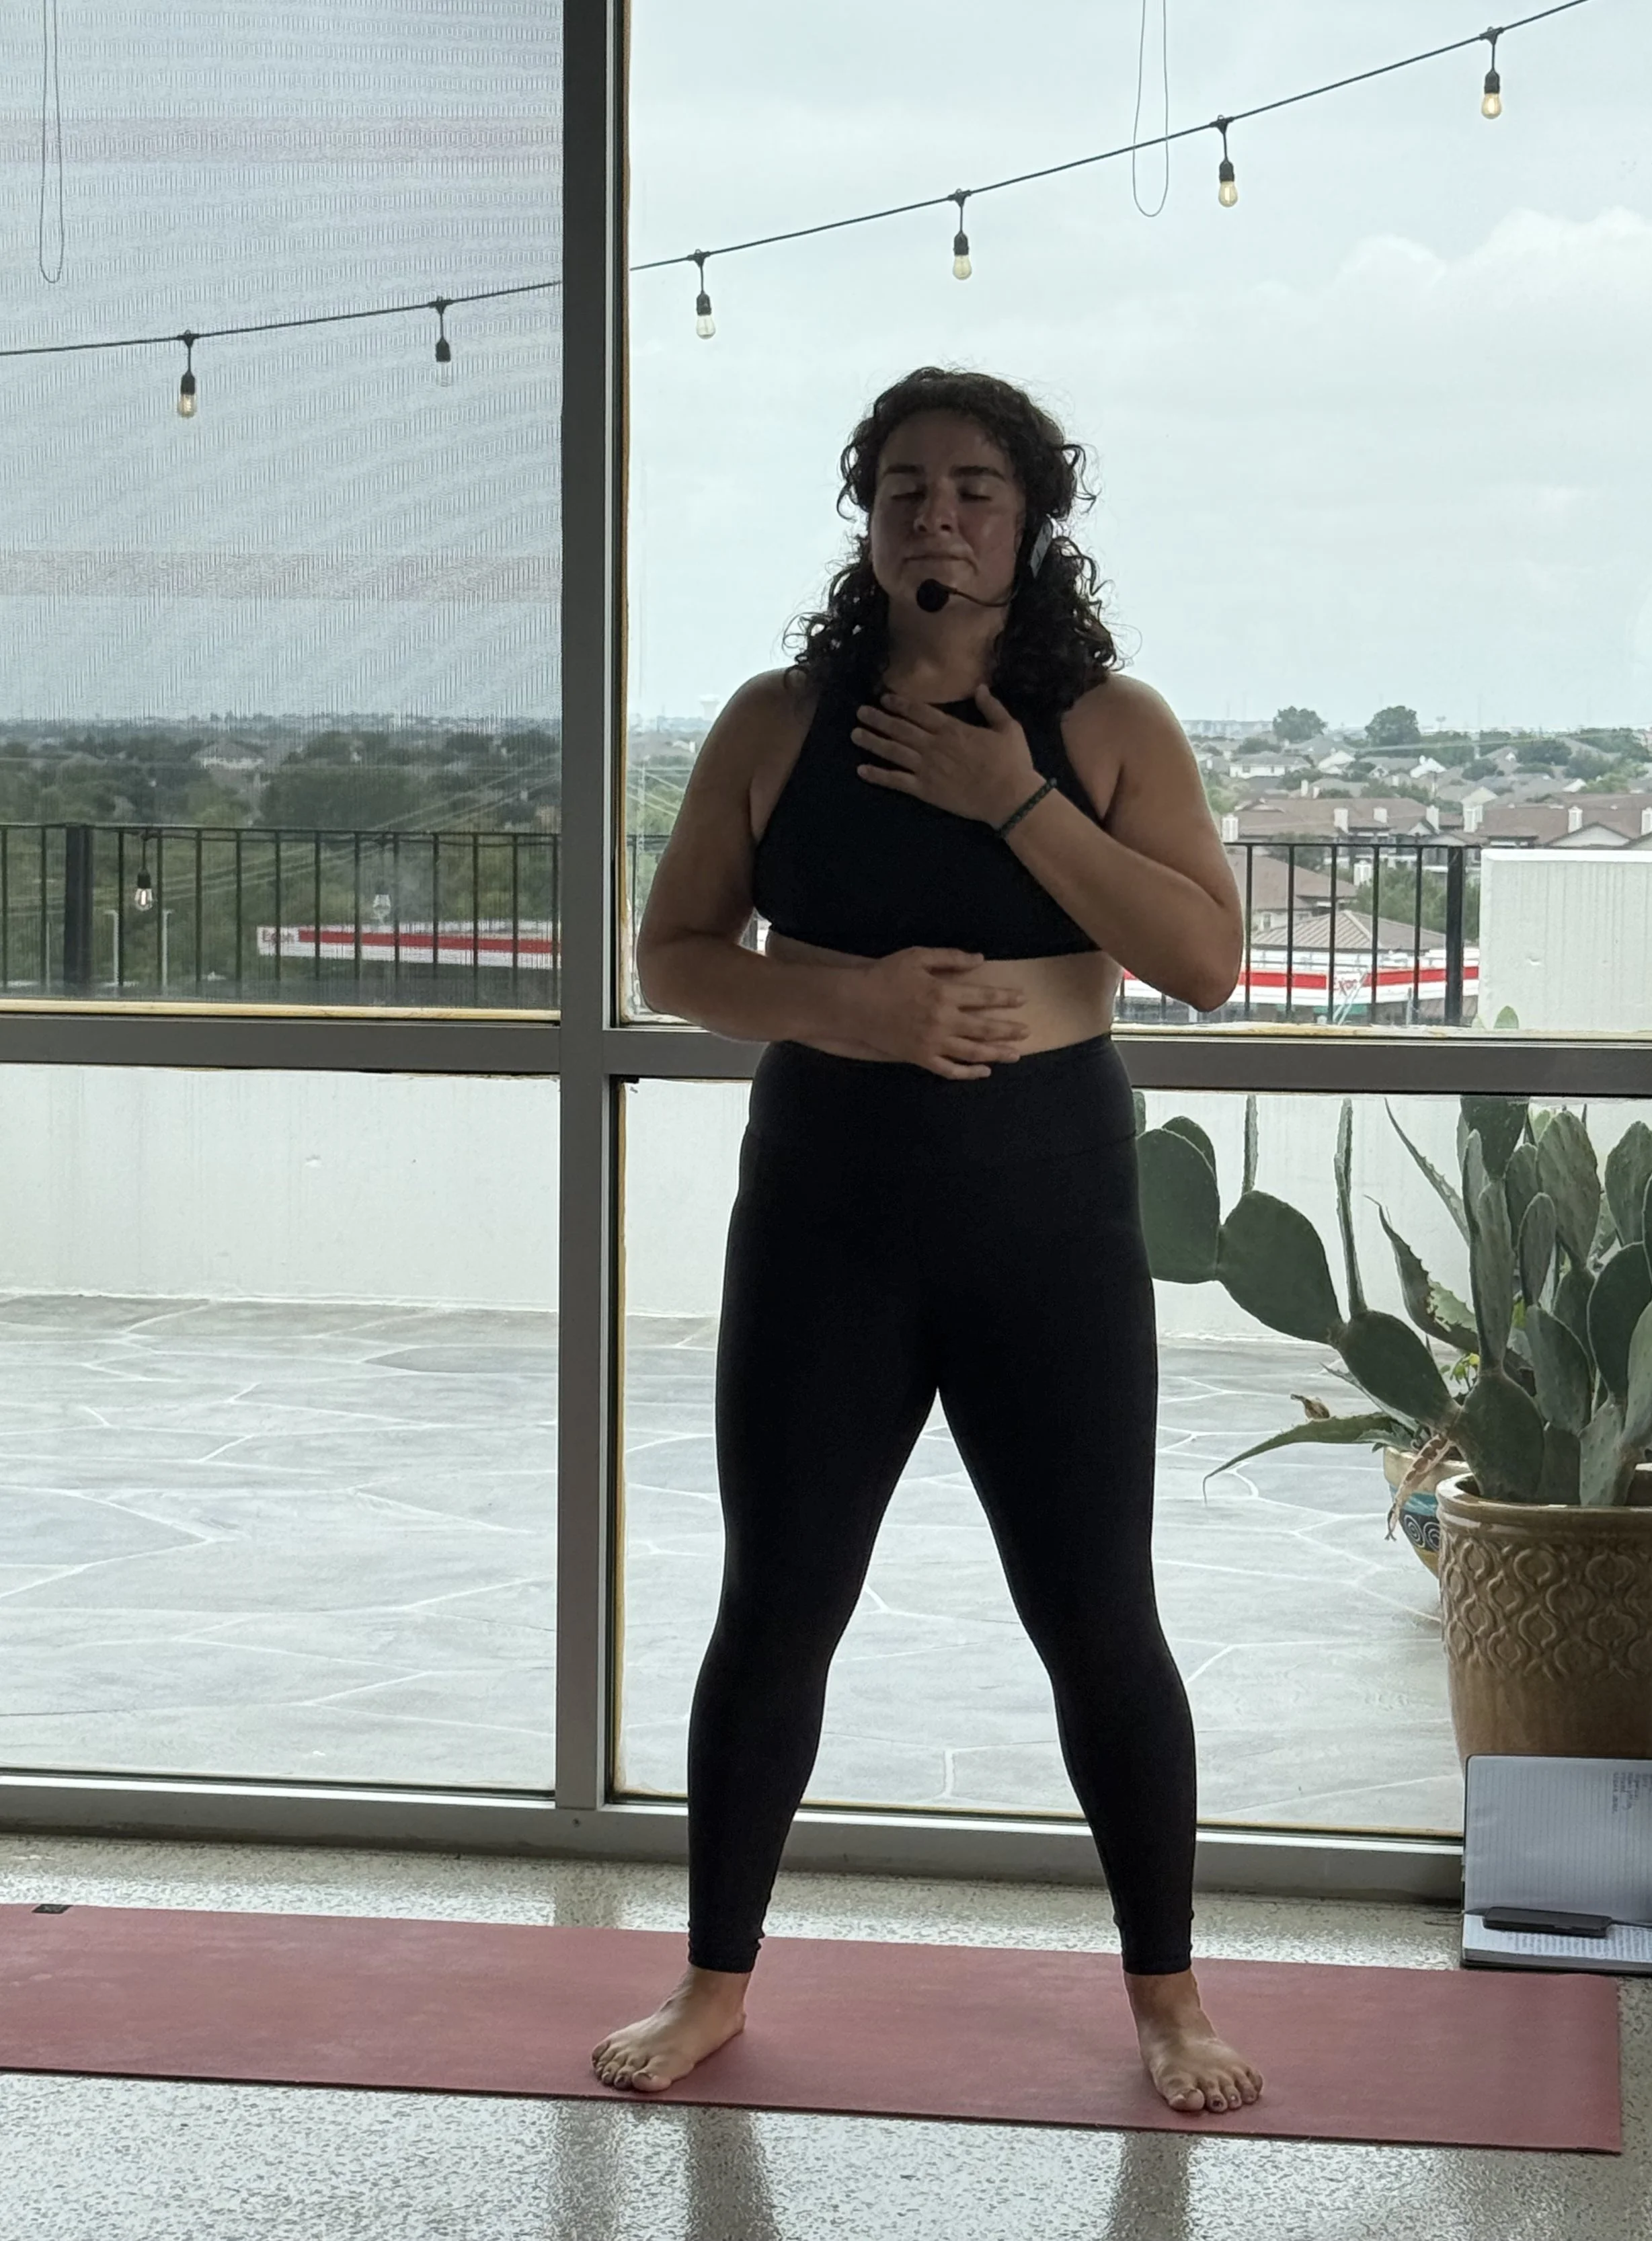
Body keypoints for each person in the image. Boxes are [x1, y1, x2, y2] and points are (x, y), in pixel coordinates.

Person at [593, 366, 1261, 2117]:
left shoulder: (1107, 722)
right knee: (778, 1605)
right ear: (866, 521)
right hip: (828, 1216)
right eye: (901, 486)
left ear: (1032, 519)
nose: (935, 513)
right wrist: (856, 1006)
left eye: (972, 486)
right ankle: (709, 1982)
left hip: (1045, 1216)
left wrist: (1012, 801)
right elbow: (671, 958)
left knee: (1096, 1614)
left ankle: (1169, 1998)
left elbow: (1200, 958)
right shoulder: (772, 719)